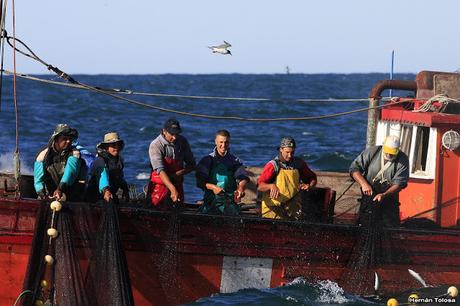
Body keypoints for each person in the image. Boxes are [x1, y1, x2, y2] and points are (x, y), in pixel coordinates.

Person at [349, 135, 409, 227]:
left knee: (389, 228)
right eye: (387, 152)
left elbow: (399, 184)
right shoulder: (372, 152)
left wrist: (384, 195)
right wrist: (364, 184)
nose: (389, 155)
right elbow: (354, 169)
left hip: (389, 200)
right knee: (364, 225)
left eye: (392, 153)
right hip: (369, 197)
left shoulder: (403, 159)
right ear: (383, 146)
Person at [258, 137, 317, 220]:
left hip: (293, 209)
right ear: (281, 149)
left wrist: (309, 186)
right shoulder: (273, 165)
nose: (290, 156)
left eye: (292, 152)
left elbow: (312, 177)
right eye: (287, 152)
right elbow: (260, 186)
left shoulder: (299, 164)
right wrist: (271, 186)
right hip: (272, 211)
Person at [196, 129, 249, 215]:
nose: (223, 145)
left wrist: (241, 188)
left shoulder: (235, 161)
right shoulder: (207, 160)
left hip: (229, 203)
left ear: (229, 142)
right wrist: (213, 187)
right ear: (215, 142)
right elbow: (200, 182)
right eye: (221, 142)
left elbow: (242, 178)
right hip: (210, 202)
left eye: (226, 142)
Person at [147, 118, 196, 209]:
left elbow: (192, 165)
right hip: (159, 187)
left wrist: (177, 174)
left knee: (178, 211)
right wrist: (172, 189)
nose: (175, 137)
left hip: (177, 184)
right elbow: (160, 170)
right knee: (155, 211)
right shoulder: (156, 145)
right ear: (164, 131)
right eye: (172, 134)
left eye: (177, 134)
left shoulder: (182, 141)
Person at [34, 123, 84, 201]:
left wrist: (60, 189)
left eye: (70, 139)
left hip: (69, 194)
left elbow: (70, 173)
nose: (68, 141)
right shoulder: (43, 156)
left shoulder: (75, 154)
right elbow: (38, 180)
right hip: (49, 195)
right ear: (56, 139)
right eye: (64, 138)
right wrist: (43, 195)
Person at [86, 132, 129, 203]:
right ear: (106, 147)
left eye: (118, 145)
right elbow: (103, 176)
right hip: (96, 197)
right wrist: (106, 191)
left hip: (110, 195)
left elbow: (120, 177)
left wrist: (125, 189)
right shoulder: (100, 160)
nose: (116, 148)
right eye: (113, 145)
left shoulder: (118, 160)